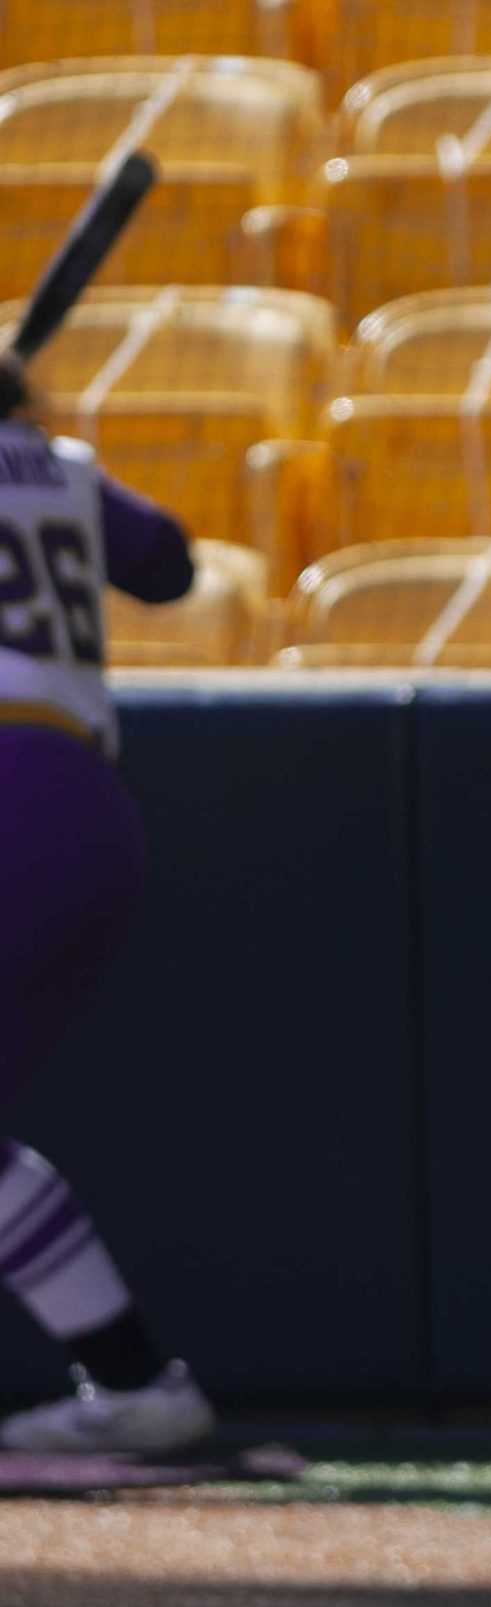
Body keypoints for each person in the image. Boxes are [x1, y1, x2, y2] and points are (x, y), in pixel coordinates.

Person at [0, 352, 217, 1457]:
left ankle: (140, 1385)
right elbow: (170, 564)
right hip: (82, 798)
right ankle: (136, 1381)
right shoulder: (67, 470)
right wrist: (33, 457)